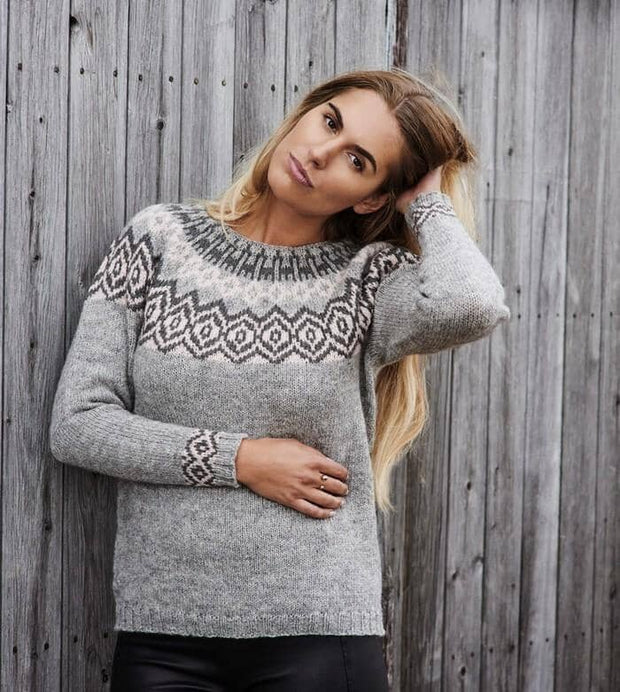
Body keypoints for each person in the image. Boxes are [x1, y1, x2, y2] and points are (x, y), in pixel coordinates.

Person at [48, 67, 511, 691]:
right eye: (329, 122)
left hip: (320, 634)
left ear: (371, 198)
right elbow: (77, 424)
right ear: (304, 113)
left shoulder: (368, 279)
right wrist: (239, 459)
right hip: (164, 635)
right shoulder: (158, 240)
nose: (320, 153)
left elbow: (474, 305)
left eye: (357, 160)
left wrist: (425, 201)